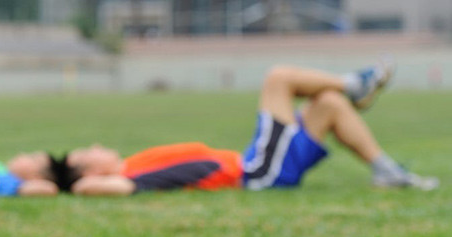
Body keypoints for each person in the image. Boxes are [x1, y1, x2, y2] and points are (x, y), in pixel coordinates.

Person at [60, 62, 440, 195]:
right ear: (92, 170)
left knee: (328, 105)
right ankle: (356, 84)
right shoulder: (129, 177)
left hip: (258, 166)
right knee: (279, 79)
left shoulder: (131, 163)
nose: (95, 144)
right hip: (257, 172)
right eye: (87, 153)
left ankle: (385, 170)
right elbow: (89, 188)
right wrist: (69, 181)